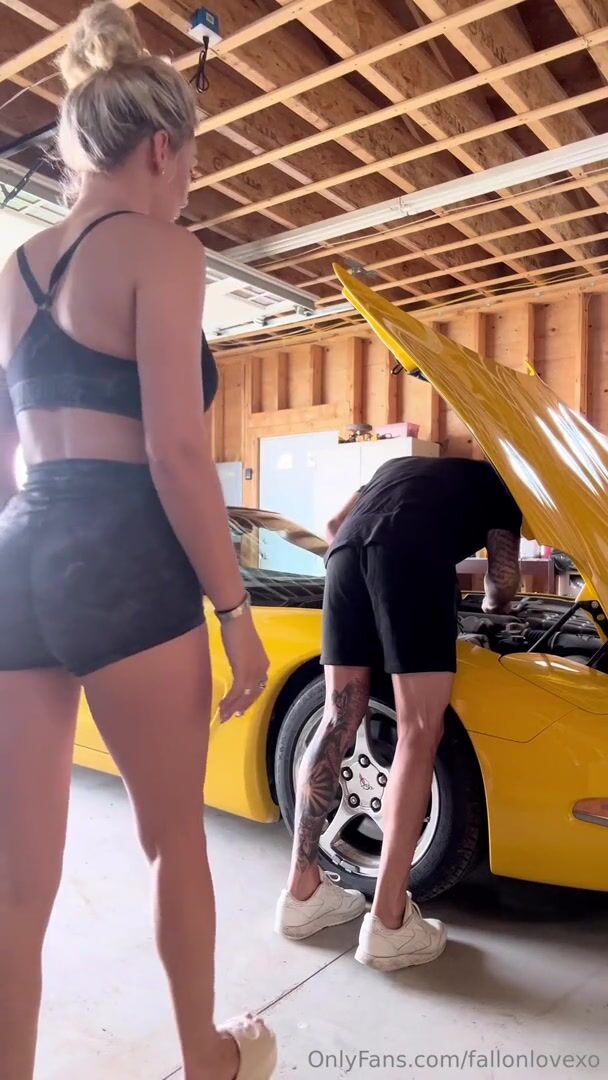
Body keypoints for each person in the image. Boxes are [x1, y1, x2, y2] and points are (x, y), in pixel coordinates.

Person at [0, 4, 276, 1079]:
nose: (190, 183)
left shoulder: (17, 268)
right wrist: (235, 612)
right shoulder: (164, 250)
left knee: (17, 884)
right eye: (192, 162)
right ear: (162, 147)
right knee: (172, 842)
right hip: (123, 557)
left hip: (21, 553)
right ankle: (207, 1061)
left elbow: (8, 458)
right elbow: (174, 450)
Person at [275, 455, 522, 970]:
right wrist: (493, 608)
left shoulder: (398, 466)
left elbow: (333, 525)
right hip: (414, 556)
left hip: (344, 556)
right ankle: (389, 923)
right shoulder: (500, 486)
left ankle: (302, 894)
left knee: (336, 718)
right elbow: (502, 583)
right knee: (418, 730)